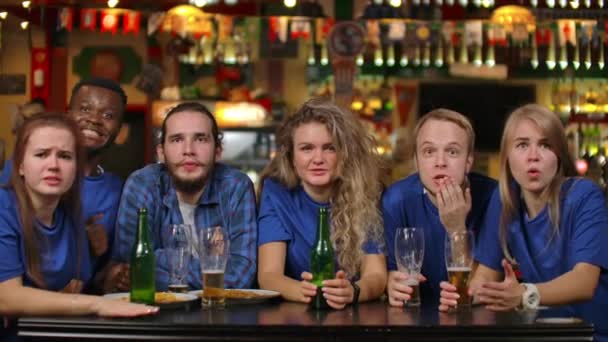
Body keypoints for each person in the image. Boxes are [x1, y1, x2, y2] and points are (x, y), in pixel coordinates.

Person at [439, 104, 608, 341]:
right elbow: (486, 278)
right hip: (543, 335)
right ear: (507, 158)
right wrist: (465, 295)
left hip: (595, 334)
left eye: (545, 145)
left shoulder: (583, 195)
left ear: (559, 155)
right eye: (522, 145)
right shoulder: (504, 198)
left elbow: (584, 281)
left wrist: (524, 293)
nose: (533, 156)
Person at [0, 113, 156, 338]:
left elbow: (75, 286)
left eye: (64, 156)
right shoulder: (4, 207)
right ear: (20, 166)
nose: (53, 165)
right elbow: (6, 298)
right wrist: (96, 304)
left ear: (76, 168)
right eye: (41, 154)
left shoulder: (72, 215)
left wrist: (32, 301)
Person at [108, 102, 257, 292]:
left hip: (223, 313)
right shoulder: (142, 184)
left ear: (218, 151)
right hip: (157, 315)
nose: (188, 150)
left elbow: (241, 277)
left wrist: (158, 258)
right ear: (161, 152)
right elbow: (130, 268)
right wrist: (214, 267)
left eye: (200, 139)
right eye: (177, 139)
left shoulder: (236, 186)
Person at [257, 98, 387, 310]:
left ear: (345, 154)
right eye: (306, 148)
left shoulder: (366, 192)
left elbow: (376, 275)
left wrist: (352, 292)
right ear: (291, 158)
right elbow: (269, 275)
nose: (318, 159)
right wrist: (304, 291)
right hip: (294, 317)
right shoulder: (276, 192)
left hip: (351, 318)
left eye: (329, 148)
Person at [0, 79, 127, 292]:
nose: (95, 119)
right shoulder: (12, 180)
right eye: (85, 108)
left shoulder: (117, 190)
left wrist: (101, 259)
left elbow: (86, 281)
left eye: (108, 115)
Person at [383, 109, 497, 307]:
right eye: (429, 152)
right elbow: (395, 275)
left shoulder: (493, 197)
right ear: (417, 162)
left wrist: (457, 229)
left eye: (452, 152)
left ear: (469, 161)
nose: (440, 162)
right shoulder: (396, 200)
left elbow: (480, 288)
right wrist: (392, 285)